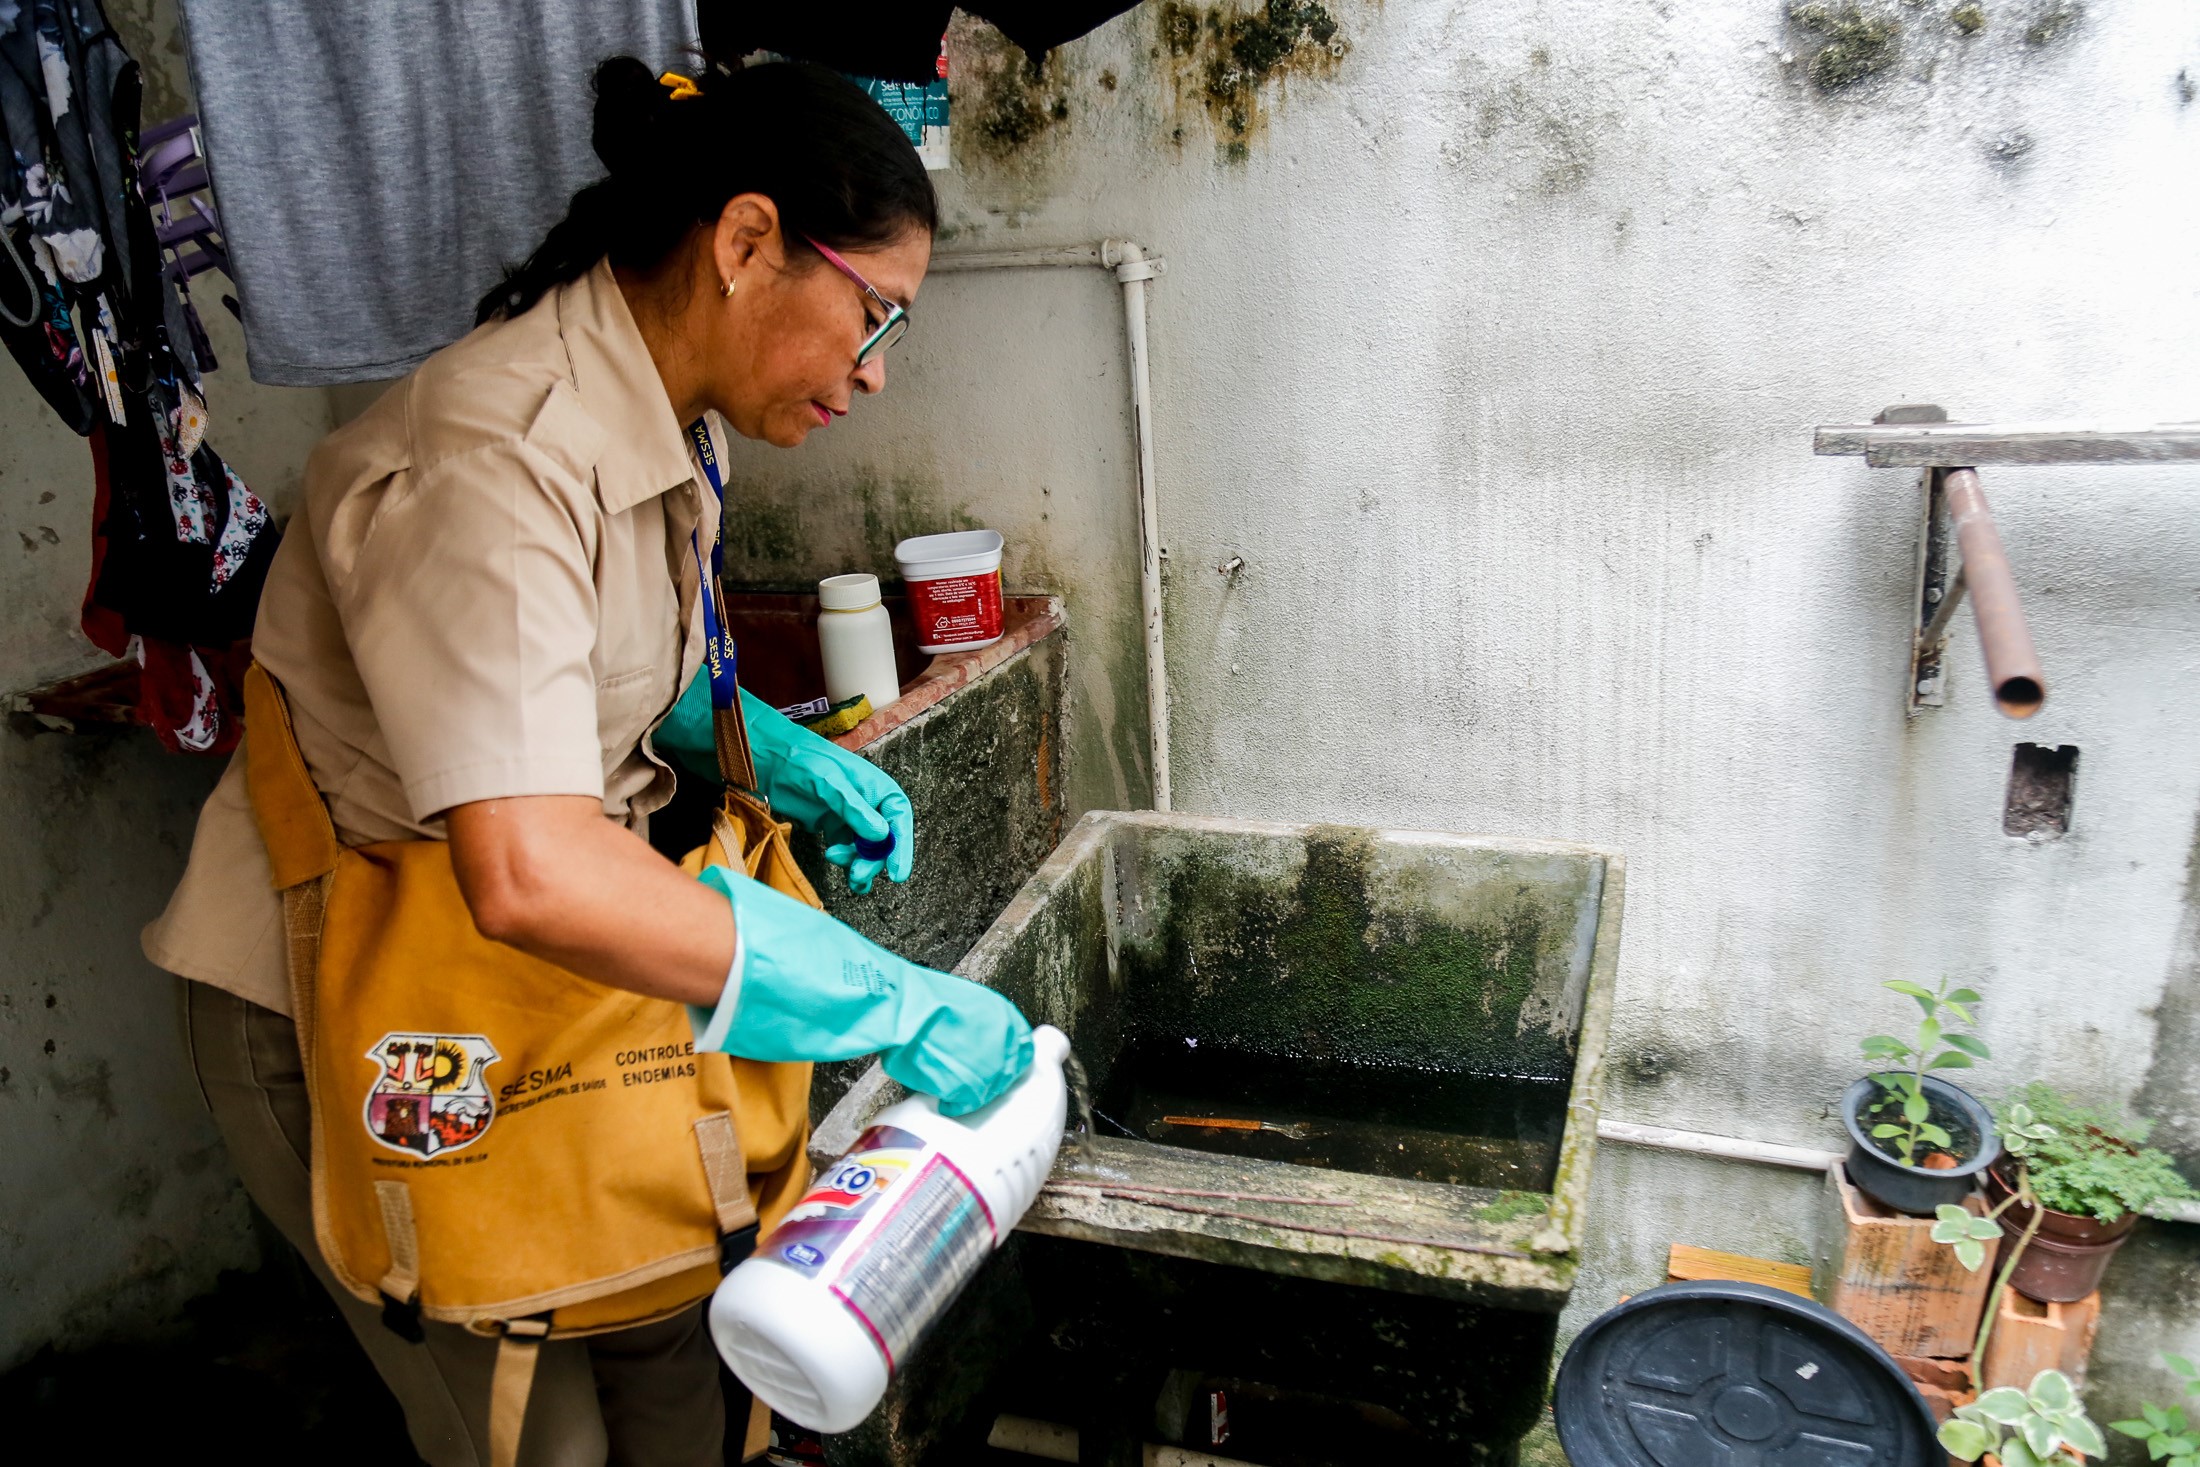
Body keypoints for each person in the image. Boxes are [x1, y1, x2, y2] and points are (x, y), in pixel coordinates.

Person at [143, 55, 1032, 1467]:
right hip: (372, 1002)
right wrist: (886, 998)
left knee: (691, 1384)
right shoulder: (490, 462)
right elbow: (534, 867)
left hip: (552, 998)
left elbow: (602, 683)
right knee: (531, 1436)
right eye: (876, 316)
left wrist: (779, 760)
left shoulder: (663, 425)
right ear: (746, 245)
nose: (874, 374)